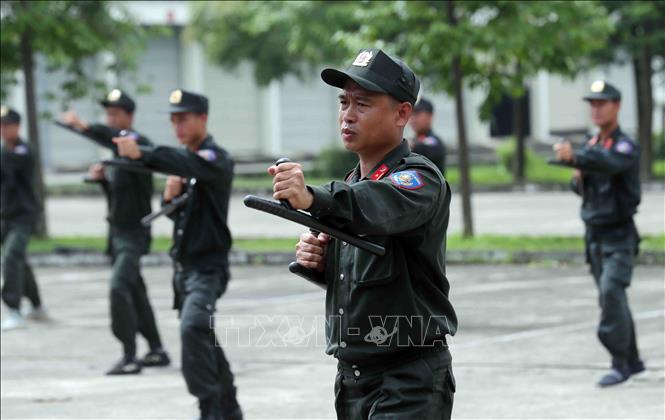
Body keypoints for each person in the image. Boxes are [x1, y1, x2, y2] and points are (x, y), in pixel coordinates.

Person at [268, 49, 457, 419]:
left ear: (403, 113)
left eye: (363, 104)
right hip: (352, 379)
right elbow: (373, 275)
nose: (348, 115)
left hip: (407, 380)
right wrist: (322, 263)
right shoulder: (356, 186)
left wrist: (312, 197)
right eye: (344, 102)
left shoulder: (418, 179)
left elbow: (373, 204)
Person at [113, 89, 242, 420]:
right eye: (173, 120)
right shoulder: (187, 165)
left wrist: (141, 153)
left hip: (208, 268)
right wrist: (170, 198)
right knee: (203, 334)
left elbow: (188, 162)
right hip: (184, 270)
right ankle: (229, 407)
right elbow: (179, 215)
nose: (178, 126)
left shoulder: (214, 159)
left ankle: (208, 407)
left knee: (193, 327)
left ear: (203, 118)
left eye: (183, 119)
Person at [61, 89, 169, 375]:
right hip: (117, 232)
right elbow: (120, 195)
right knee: (135, 290)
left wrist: (84, 127)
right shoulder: (116, 153)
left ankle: (129, 355)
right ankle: (157, 349)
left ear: (129, 116)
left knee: (118, 286)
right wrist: (102, 181)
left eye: (115, 114)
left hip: (134, 233)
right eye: (107, 114)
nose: (110, 119)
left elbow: (122, 143)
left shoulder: (138, 145)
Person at [554, 80, 645, 387]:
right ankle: (632, 360)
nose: (596, 109)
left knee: (611, 293)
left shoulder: (624, 147)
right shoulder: (591, 147)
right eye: (592, 104)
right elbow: (581, 185)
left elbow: (609, 164)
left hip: (619, 235)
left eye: (601, 103)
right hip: (593, 235)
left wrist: (577, 159)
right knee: (612, 297)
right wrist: (577, 172)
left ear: (616, 106)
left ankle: (618, 363)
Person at [1, 106, 47, 331]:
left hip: (25, 215)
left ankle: (14, 309)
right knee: (19, 260)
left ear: (17, 127)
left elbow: (8, 162)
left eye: (7, 125)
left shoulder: (24, 151)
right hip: (7, 215)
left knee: (10, 257)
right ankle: (37, 305)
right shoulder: (4, 152)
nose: (3, 130)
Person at [409, 98, 446, 174]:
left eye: (417, 113)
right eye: (411, 114)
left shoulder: (434, 142)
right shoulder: (413, 140)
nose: (413, 119)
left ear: (430, 116)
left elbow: (429, 147)